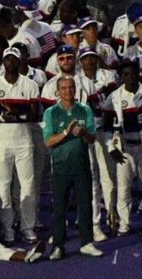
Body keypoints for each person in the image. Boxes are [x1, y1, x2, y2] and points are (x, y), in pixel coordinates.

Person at [42, 76, 104, 260]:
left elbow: (92, 138)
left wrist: (83, 133)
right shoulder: (51, 112)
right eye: (64, 88)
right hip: (60, 169)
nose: (68, 91)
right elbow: (48, 141)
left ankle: (86, 243)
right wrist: (66, 132)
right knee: (59, 209)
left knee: (85, 206)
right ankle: (58, 246)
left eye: (71, 88)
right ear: (58, 91)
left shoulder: (85, 110)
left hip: (82, 166)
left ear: (75, 89)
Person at [0, 47, 41, 245]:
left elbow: (35, 115)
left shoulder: (31, 85)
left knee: (27, 186)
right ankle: (8, 228)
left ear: (19, 62)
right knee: (3, 186)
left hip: (24, 142)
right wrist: (2, 116)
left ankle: (27, 227)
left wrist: (16, 115)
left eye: (13, 59)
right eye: (6, 58)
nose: (9, 61)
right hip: (1, 143)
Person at [104, 60, 142, 237]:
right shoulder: (113, 98)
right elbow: (106, 128)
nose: (130, 78)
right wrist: (112, 148)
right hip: (124, 149)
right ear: (121, 77)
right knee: (123, 188)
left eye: (133, 73)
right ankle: (124, 224)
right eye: (126, 74)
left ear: (139, 74)